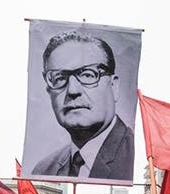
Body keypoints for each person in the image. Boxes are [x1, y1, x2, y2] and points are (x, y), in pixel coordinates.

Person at [32, 32, 133, 181]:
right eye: (60, 78)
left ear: (114, 86)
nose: (73, 90)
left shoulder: (132, 157)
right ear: (49, 90)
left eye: (87, 75)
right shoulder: (44, 169)